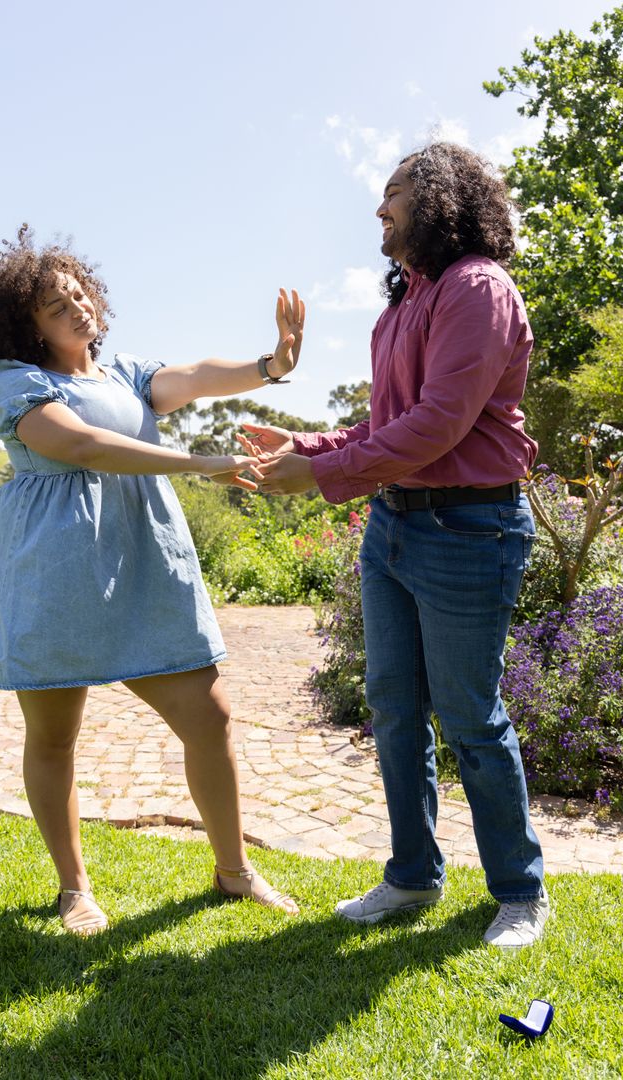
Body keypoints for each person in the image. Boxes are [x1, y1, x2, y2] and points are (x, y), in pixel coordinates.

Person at [240, 143, 549, 948]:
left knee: (470, 717)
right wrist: (309, 446)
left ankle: (519, 891)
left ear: (440, 198)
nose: (379, 210)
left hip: (468, 529)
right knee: (394, 707)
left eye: (394, 194)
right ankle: (411, 876)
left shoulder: (477, 288)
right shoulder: (404, 302)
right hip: (394, 527)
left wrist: (316, 477)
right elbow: (386, 427)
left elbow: (440, 426)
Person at [0, 225, 304, 934]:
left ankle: (234, 872)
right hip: (55, 568)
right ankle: (73, 888)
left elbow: (197, 377)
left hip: (141, 562)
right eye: (57, 306)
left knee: (208, 716)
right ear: (25, 325)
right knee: (55, 736)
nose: (78, 308)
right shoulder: (19, 381)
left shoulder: (123, 375)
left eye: (79, 293)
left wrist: (269, 365)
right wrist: (200, 464)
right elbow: (81, 445)